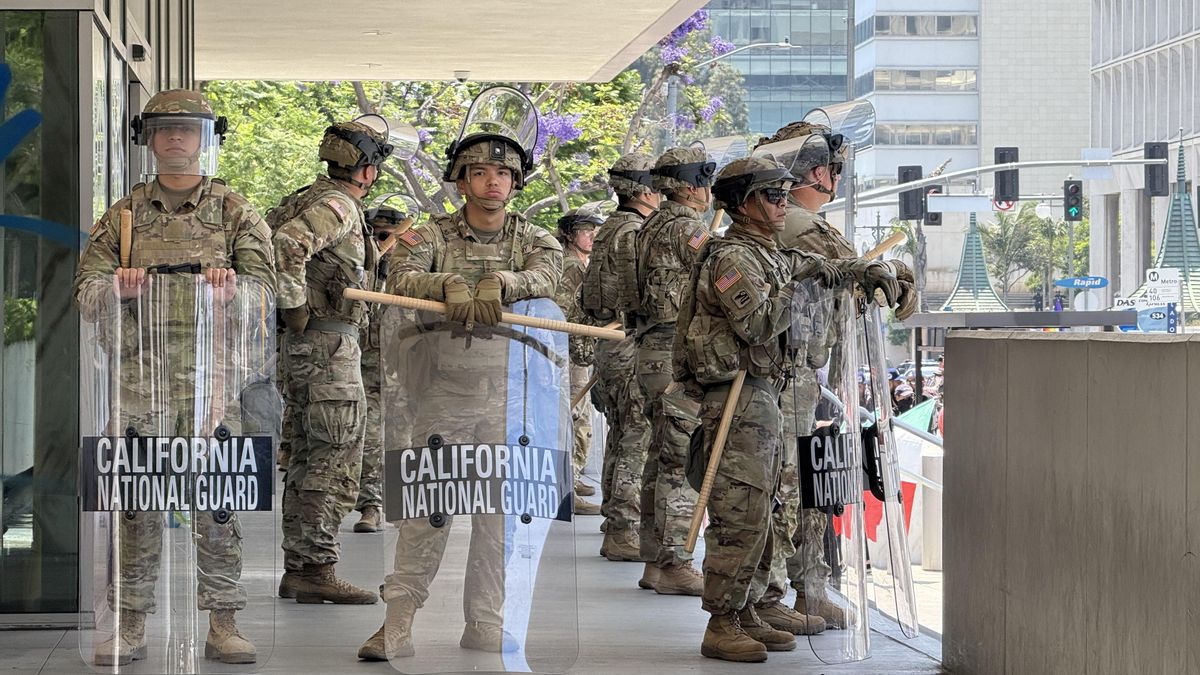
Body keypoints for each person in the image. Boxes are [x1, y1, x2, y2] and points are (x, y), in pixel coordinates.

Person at [358, 87, 562, 661]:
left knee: (500, 515)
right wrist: (443, 287)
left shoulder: (533, 239)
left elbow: (549, 273)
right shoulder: (432, 237)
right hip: (444, 392)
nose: (492, 181)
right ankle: (397, 623)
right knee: (429, 507)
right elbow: (397, 274)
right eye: (479, 171)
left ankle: (486, 619)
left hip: (512, 397)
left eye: (503, 171)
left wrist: (506, 286)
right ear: (460, 179)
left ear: (517, 181)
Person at [74, 88, 276, 665]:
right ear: (149, 140)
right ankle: (131, 623)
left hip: (215, 380)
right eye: (165, 130)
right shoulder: (125, 216)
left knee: (217, 500)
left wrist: (236, 289)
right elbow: (85, 290)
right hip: (140, 379)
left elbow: (273, 291)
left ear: (206, 139)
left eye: (188, 129)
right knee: (136, 502)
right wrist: (116, 288)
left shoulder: (237, 212)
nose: (177, 138)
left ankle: (223, 622)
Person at [675, 156, 841, 662]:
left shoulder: (767, 252)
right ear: (741, 203)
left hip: (765, 392)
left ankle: (746, 608)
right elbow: (759, 324)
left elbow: (813, 268)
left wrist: (852, 270)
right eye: (772, 195)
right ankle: (721, 621)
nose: (783, 203)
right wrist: (804, 285)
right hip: (736, 399)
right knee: (740, 510)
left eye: (785, 194)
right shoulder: (732, 258)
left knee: (767, 510)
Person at [750, 122, 914, 630]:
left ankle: (797, 590)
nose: (836, 180)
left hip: (796, 375)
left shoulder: (788, 222)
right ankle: (786, 593)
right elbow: (871, 280)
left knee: (798, 485)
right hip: (787, 377)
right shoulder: (800, 224)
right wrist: (899, 276)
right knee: (791, 488)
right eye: (834, 170)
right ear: (819, 173)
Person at [273, 115, 395, 605]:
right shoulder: (339, 204)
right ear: (366, 169)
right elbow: (286, 247)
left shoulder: (303, 197)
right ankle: (316, 568)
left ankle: (301, 566)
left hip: (308, 351)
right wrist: (295, 307)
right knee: (334, 459)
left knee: (306, 459)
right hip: (327, 347)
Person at [632, 147, 715, 595]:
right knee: (679, 460)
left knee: (659, 456)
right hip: (672, 352)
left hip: (650, 349)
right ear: (688, 185)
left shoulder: (650, 225)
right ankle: (675, 560)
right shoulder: (687, 227)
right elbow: (717, 271)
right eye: (703, 180)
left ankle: (656, 562)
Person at [579, 153, 661, 562]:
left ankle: (616, 524)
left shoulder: (610, 227)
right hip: (626, 340)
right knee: (635, 439)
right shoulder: (634, 231)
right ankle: (622, 529)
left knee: (620, 435)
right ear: (645, 190)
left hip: (608, 342)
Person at [353, 193, 421, 533]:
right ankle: (370, 504)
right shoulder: (361, 267)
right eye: (378, 235)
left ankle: (403, 502)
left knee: (403, 438)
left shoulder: (412, 270)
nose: (386, 242)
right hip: (365, 366)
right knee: (368, 437)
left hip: (404, 367)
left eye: (391, 235)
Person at [554, 205, 605, 516]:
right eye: (586, 231)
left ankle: (573, 477)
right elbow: (563, 311)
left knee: (579, 416)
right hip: (569, 352)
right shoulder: (570, 266)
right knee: (576, 417)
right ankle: (567, 487)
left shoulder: (579, 264)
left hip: (577, 351)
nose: (592, 236)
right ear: (570, 235)